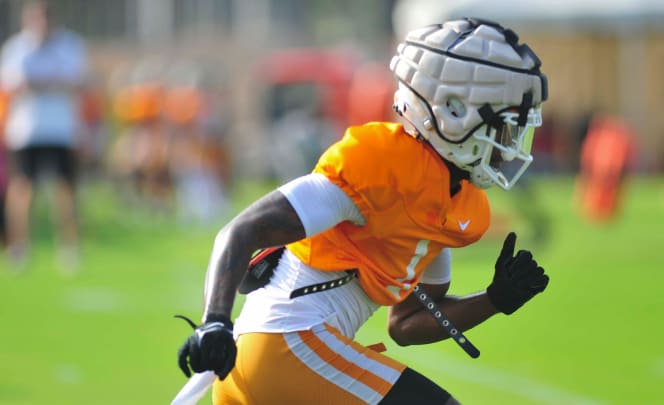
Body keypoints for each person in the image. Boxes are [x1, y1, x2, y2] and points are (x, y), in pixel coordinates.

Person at [174, 18, 549, 405]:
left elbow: (406, 323)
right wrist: (215, 320)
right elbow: (243, 230)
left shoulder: (456, 201)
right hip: (285, 344)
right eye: (502, 128)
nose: (509, 147)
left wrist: (494, 299)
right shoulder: (382, 165)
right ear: (455, 112)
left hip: (279, 361)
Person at [0, 0, 88, 272]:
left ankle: (69, 247)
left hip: (61, 130)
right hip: (27, 131)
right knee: (22, 190)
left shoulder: (70, 46)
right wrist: (47, 83)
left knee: (66, 191)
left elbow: (77, 82)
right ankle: (19, 247)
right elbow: (12, 85)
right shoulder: (17, 48)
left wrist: (43, 83)